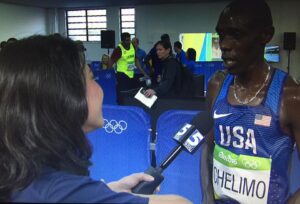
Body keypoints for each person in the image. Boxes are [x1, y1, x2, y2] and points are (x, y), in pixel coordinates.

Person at [0, 34, 191, 204]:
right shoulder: (56, 191)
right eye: (92, 78)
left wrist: (109, 191)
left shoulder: (25, 175)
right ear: (65, 95)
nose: (99, 89)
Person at [201, 0, 300, 204]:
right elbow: (207, 149)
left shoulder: (290, 97)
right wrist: (207, 195)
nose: (225, 45)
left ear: (265, 35)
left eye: (236, 35)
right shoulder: (216, 86)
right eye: (222, 35)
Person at [109, 32, 148, 103]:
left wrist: (143, 72)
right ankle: (121, 107)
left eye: (129, 39)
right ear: (122, 41)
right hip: (122, 75)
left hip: (131, 74)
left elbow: (136, 61)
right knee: (123, 94)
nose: (129, 41)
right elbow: (111, 62)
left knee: (132, 93)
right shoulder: (118, 49)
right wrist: (111, 75)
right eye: (127, 40)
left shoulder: (132, 47)